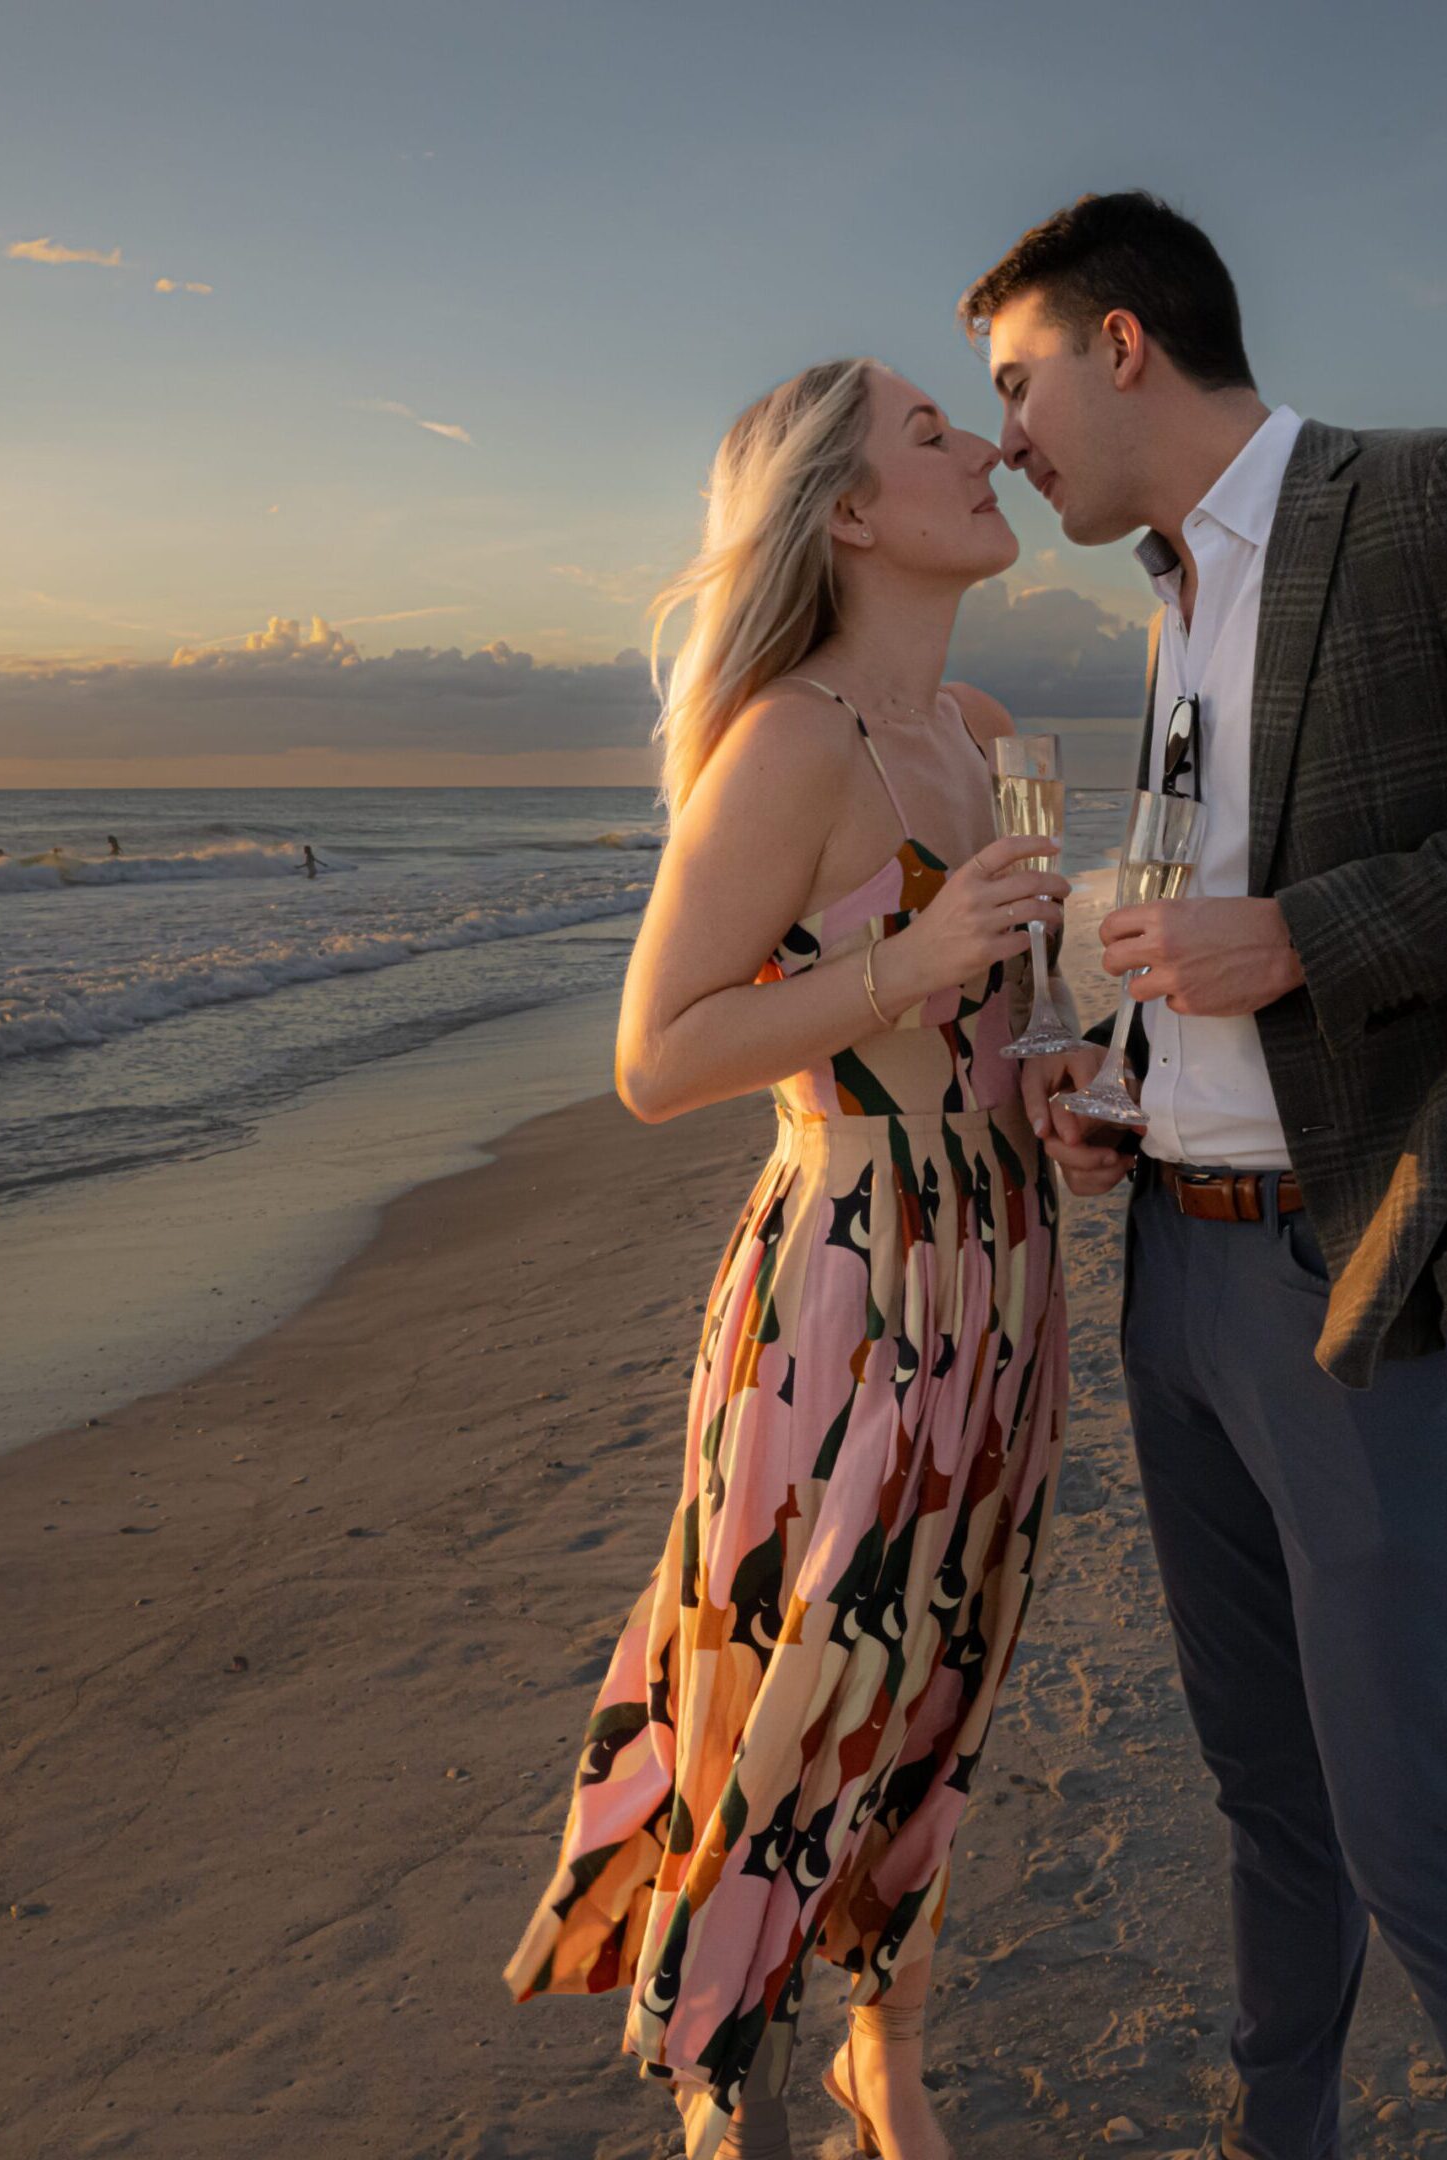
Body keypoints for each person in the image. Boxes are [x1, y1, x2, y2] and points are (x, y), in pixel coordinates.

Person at [963, 193, 1447, 2160]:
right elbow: (1197, 909)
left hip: (1365, 1274)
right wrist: (1122, 1082)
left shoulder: (1432, 497)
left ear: (1126, 344)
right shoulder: (1169, 600)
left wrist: (1309, 936)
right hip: (1179, 1285)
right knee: (1267, 1806)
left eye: (1019, 384)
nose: (1008, 438)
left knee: (1411, 1834)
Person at [504, 356, 1073, 2160]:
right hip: (848, 1285)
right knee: (793, 1684)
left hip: (1006, 1275)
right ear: (846, 514)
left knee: (936, 1682)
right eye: (933, 434)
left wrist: (1063, 1092)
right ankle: (721, 2090)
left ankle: (883, 2053)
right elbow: (654, 1055)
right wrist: (912, 962)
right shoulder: (791, 742)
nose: (984, 449)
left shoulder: (985, 731)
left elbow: (1010, 1029)